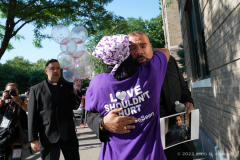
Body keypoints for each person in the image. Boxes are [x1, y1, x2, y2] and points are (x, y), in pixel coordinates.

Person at [86, 31, 196, 160]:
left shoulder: (168, 62)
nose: (139, 52)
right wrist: (103, 122)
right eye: (132, 48)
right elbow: (89, 114)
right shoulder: (116, 80)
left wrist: (188, 101)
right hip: (142, 148)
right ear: (124, 53)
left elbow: (183, 88)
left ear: (151, 46)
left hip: (177, 138)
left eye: (143, 46)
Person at [28, 59, 82, 160]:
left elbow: (74, 106)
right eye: (52, 68)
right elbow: (32, 116)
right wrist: (33, 139)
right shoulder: (36, 89)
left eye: (57, 68)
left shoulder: (68, 86)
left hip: (68, 135)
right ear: (46, 71)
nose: (56, 71)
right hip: (48, 136)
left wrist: (78, 91)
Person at [0, 83, 28, 158]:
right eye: (9, 90)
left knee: (16, 157)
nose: (11, 92)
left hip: (18, 134)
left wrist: (19, 101)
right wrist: (2, 100)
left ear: (17, 91)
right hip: (4, 133)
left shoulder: (22, 99)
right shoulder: (3, 101)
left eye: (13, 90)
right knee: (2, 156)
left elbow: (29, 109)